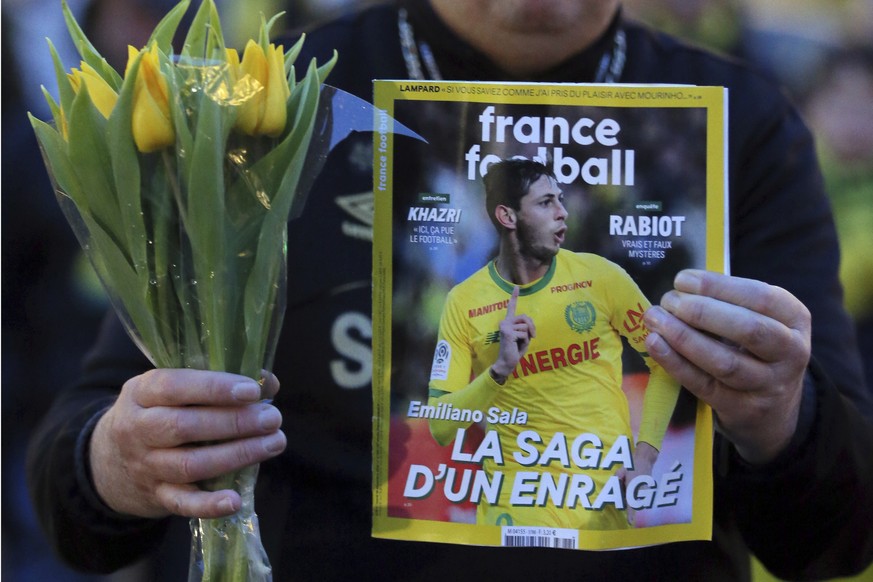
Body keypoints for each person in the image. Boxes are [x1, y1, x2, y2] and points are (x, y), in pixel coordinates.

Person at [26, 0, 873, 580]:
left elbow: (837, 536)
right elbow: (76, 492)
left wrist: (778, 421)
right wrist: (118, 459)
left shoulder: (742, 126)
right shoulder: (267, 96)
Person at [426, 158, 680, 530]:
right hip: (511, 516)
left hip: (600, 514)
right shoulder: (463, 301)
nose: (563, 213)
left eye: (560, 200)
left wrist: (645, 457)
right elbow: (441, 427)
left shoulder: (602, 277)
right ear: (507, 216)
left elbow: (665, 362)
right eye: (546, 203)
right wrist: (498, 372)